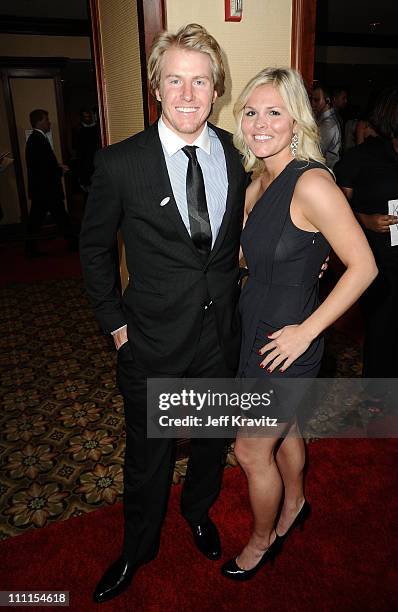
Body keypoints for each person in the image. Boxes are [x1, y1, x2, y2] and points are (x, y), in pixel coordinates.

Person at [80, 24, 248, 603]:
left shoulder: (234, 152)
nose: (187, 93)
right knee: (148, 456)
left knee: (210, 442)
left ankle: (197, 510)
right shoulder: (120, 164)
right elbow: (94, 249)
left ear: (216, 89)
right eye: (174, 79)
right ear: (156, 86)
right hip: (150, 340)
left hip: (220, 338)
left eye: (200, 81)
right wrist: (115, 325)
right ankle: (137, 547)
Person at [220, 67, 377, 581]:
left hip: (288, 339)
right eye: (251, 112)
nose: (260, 123)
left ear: (296, 120)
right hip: (255, 326)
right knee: (283, 430)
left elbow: (365, 266)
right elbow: (259, 259)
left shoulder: (310, 180)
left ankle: (262, 540)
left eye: (274, 112)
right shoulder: (255, 182)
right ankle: (296, 502)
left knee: (248, 448)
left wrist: (307, 330)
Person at [335, 87, 398, 397]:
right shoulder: (361, 157)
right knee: (382, 325)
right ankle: (377, 395)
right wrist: (366, 220)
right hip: (376, 258)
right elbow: (337, 212)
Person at [25, 109, 77, 257]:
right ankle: (72, 243)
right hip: (46, 190)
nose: (49, 122)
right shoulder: (37, 139)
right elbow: (44, 168)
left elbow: (43, 164)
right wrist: (59, 170)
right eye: (46, 120)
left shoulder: (36, 139)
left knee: (39, 220)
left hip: (42, 190)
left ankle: (31, 248)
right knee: (59, 217)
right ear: (40, 121)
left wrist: (57, 166)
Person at [311, 83, 342, 169]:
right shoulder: (322, 119)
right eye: (312, 99)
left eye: (316, 100)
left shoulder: (329, 125)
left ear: (327, 101)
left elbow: (315, 152)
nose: (312, 103)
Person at [72, 108, 101, 199]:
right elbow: (76, 148)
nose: (87, 118)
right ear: (81, 118)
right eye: (85, 117)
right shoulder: (78, 130)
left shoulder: (97, 129)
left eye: (89, 116)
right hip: (84, 163)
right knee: (88, 194)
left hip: (97, 162)